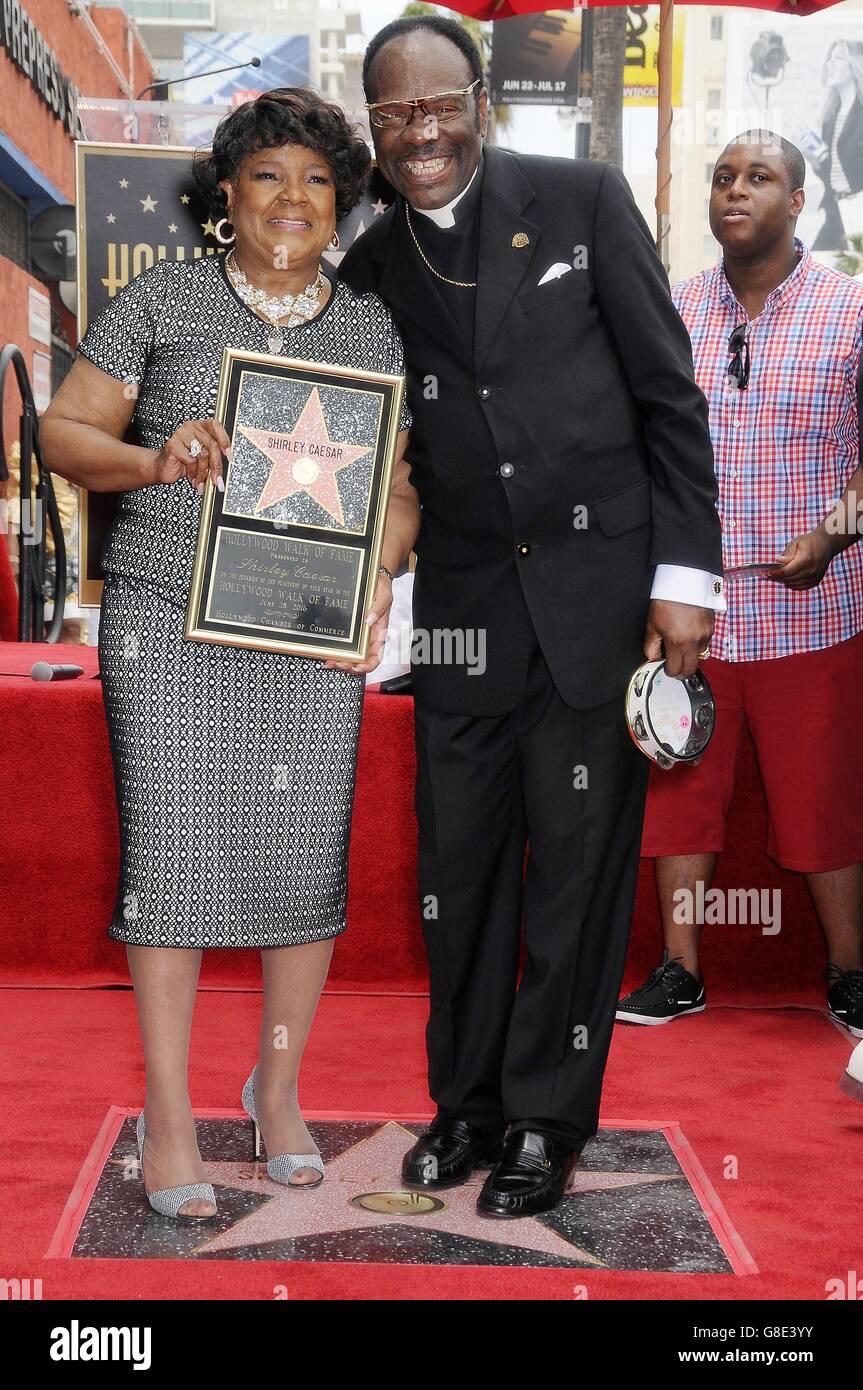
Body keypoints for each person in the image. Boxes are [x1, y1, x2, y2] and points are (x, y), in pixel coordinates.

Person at [338, 16, 723, 1220]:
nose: (422, 134)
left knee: (571, 874)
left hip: (595, 601)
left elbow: (670, 398)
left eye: (439, 105)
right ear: (374, 125)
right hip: (456, 615)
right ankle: (465, 1107)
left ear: (481, 97)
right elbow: (369, 454)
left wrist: (683, 579)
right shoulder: (369, 268)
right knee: (454, 872)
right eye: (395, 115)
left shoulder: (583, 199)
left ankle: (544, 1123)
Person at [40, 89, 418, 1220]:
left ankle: (279, 1090)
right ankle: (167, 1112)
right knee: (173, 863)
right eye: (266, 177)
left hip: (303, 634)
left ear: (340, 202)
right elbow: (63, 432)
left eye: (313, 179)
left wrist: (378, 582)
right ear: (226, 196)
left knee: (302, 865)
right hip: (164, 621)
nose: (291, 199)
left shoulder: (369, 327)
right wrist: (156, 457)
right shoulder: (161, 296)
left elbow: (398, 489)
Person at [618, 133, 863, 1039]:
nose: (735, 191)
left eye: (758, 178)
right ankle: (680, 971)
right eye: (723, 177)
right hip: (694, 614)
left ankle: (848, 975)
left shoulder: (849, 309)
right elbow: (639, 449)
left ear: (797, 201)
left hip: (818, 610)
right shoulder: (670, 308)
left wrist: (833, 535)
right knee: (679, 793)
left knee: (823, 801)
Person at [813, 40, 863, 252]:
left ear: (855, 65)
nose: (830, 64)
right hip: (836, 211)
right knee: (814, 270)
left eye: (839, 58)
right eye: (829, 58)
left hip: (859, 212)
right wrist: (815, 159)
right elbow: (832, 174)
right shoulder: (829, 118)